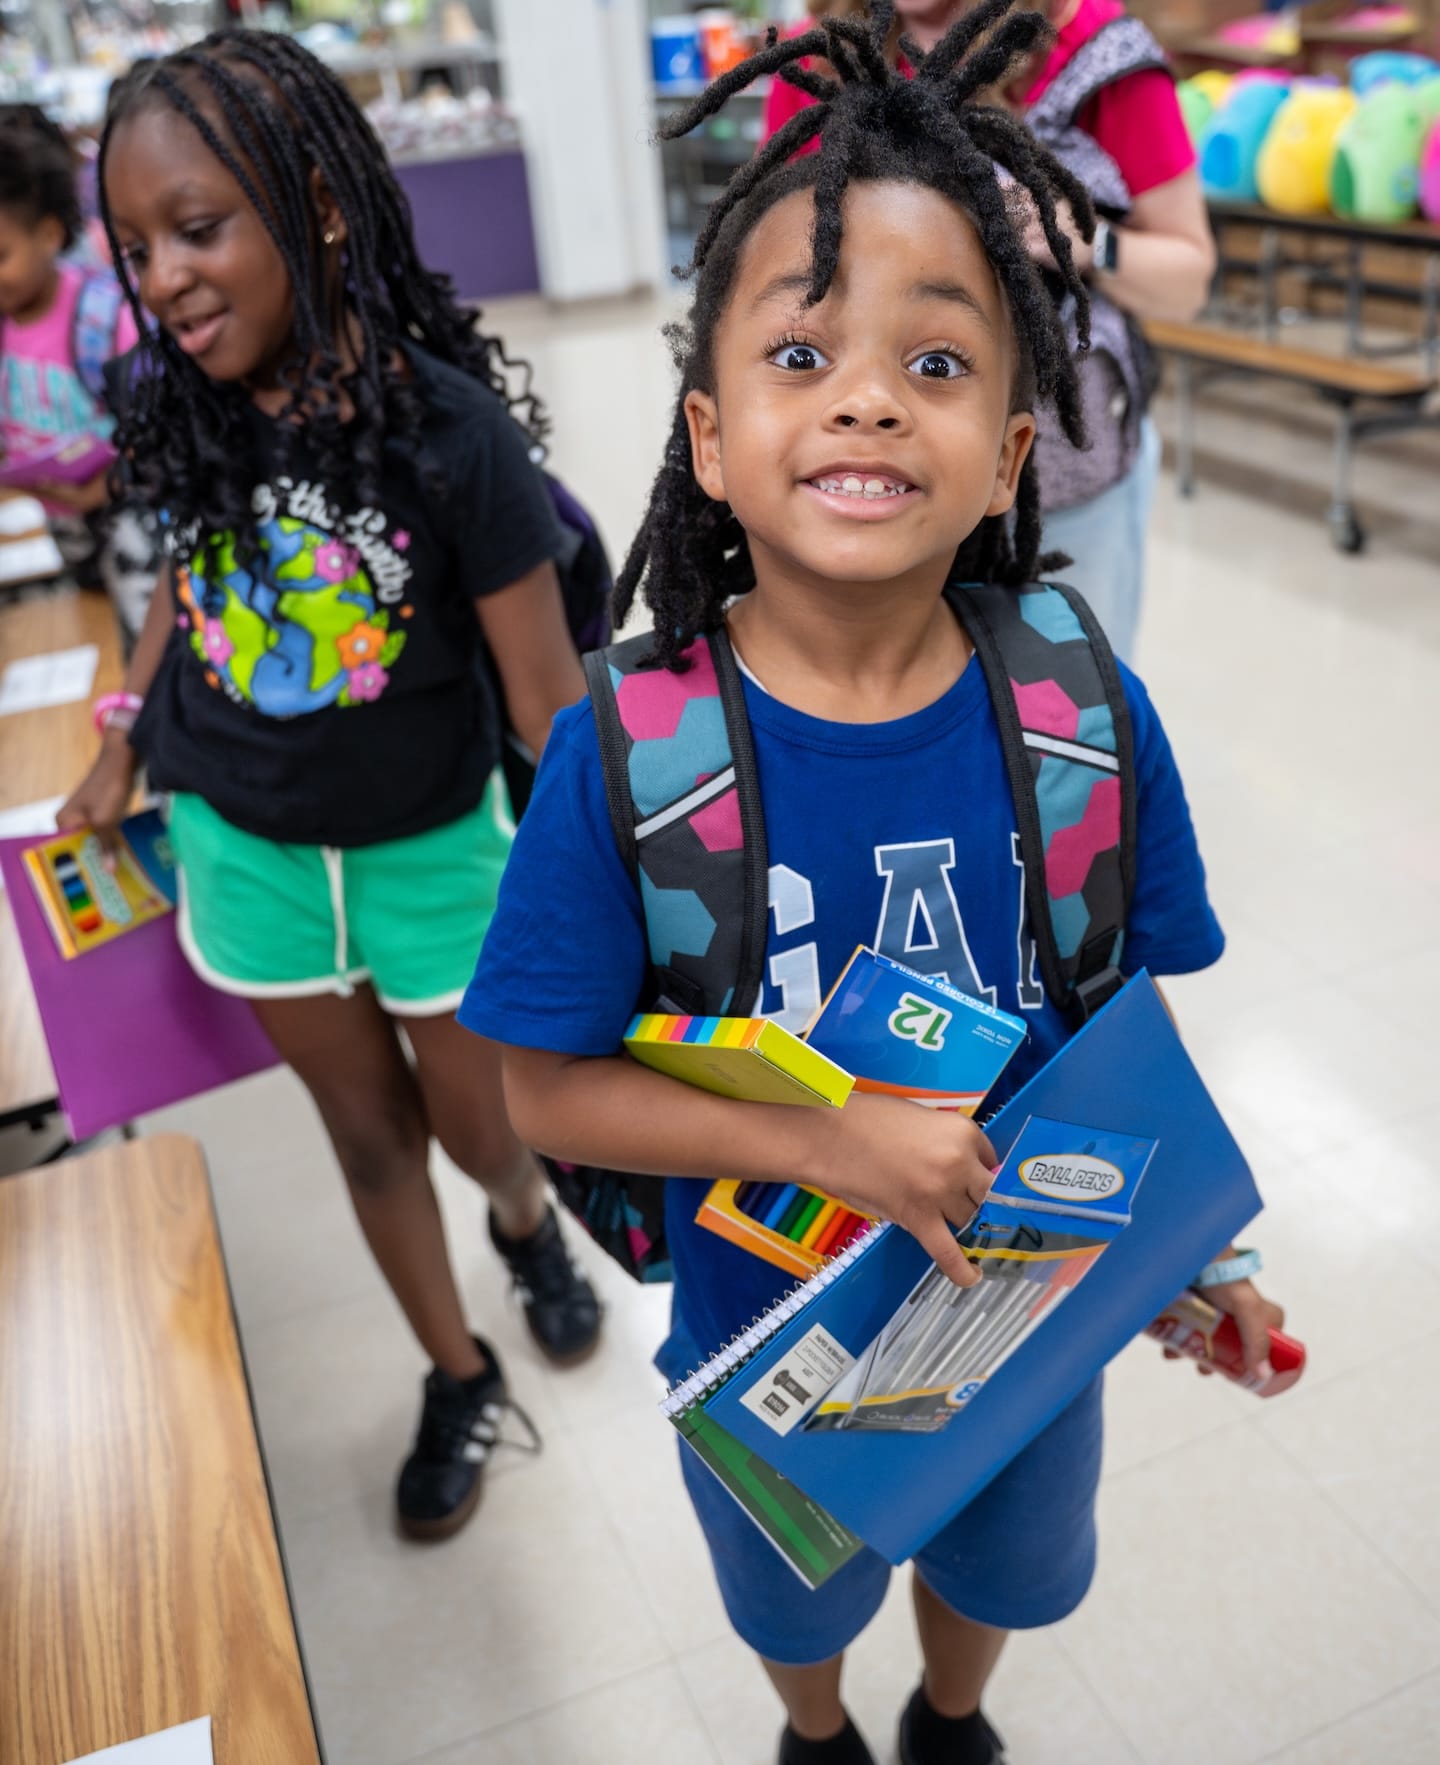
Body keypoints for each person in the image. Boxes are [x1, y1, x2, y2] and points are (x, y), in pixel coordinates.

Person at [461, 4, 1285, 1761]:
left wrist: (1189, 1264)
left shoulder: (1078, 704)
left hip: (1029, 1296)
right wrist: (831, 1142)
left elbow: (1121, 1034)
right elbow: (542, 1085)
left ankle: (950, 1725)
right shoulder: (633, 751)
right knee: (797, 1595)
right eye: (800, 354)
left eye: (935, 362)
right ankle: (819, 1734)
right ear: (705, 435)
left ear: (1007, 457)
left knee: (1006, 1557)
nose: (862, 396)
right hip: (775, 1346)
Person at [57, 31, 601, 1543]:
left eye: (200, 228)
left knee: (483, 1129)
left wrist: (639, 906)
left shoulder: (451, 434)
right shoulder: (175, 403)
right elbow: (180, 582)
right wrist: (121, 738)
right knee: (366, 1142)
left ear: (323, 206)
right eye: (137, 244)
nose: (162, 276)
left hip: (438, 852)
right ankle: (457, 1363)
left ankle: (521, 1217)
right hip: (250, 850)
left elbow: (553, 701)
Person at [761, 0, 1216, 663]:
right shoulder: (819, 57)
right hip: (873, 470)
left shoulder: (1093, 51)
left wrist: (1078, 237)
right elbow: (765, 270)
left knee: (1065, 698)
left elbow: (1188, 277)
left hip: (1061, 478)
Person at [0, 114, 157, 639]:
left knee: (151, 633)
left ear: (48, 233)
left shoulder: (105, 317)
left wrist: (108, 485)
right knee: (97, 624)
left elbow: (165, 428)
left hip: (129, 513)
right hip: (58, 518)